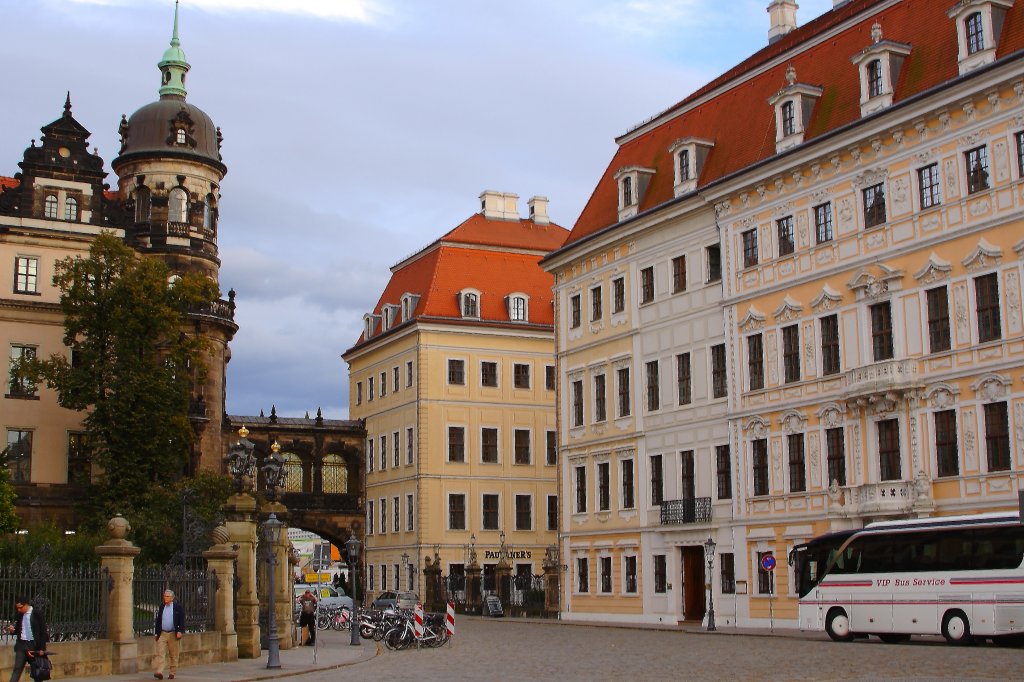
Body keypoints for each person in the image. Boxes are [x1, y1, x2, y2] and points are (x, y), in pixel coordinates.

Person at [7, 596, 48, 682]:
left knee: (37, 671)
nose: (19, 610)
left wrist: (42, 649)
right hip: (21, 645)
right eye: (17, 608)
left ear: (26, 605)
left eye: (20, 607)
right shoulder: (20, 615)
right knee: (17, 669)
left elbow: (43, 632)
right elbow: (18, 629)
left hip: (34, 646)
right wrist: (12, 631)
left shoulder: (37, 614)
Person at [153, 589, 184, 680]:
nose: (165, 598)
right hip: (162, 633)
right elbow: (158, 620)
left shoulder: (177, 607)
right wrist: (156, 633)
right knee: (160, 653)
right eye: (164, 596)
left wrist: (180, 631)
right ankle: (159, 671)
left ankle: (172, 672)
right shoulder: (162, 606)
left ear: (172, 598)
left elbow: (181, 620)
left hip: (173, 633)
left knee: (173, 655)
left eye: (167, 596)